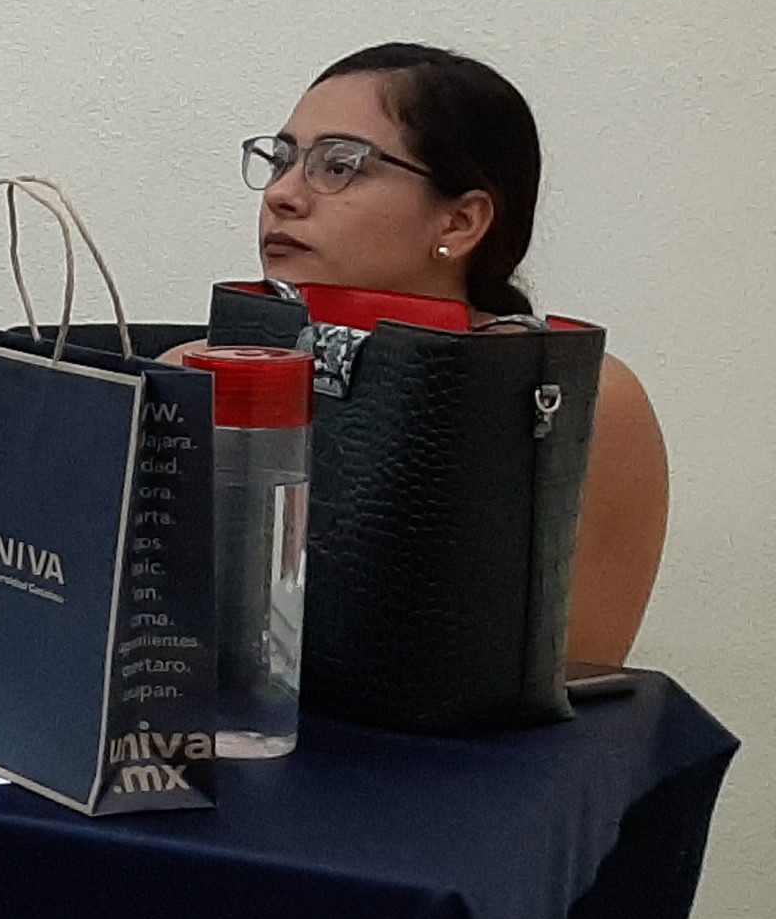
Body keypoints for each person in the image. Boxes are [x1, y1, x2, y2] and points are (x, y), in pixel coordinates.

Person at [248, 41, 667, 665]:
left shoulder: (582, 399)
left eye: (339, 166)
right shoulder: (207, 367)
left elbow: (577, 679)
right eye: (281, 161)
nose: (282, 194)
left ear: (460, 222)